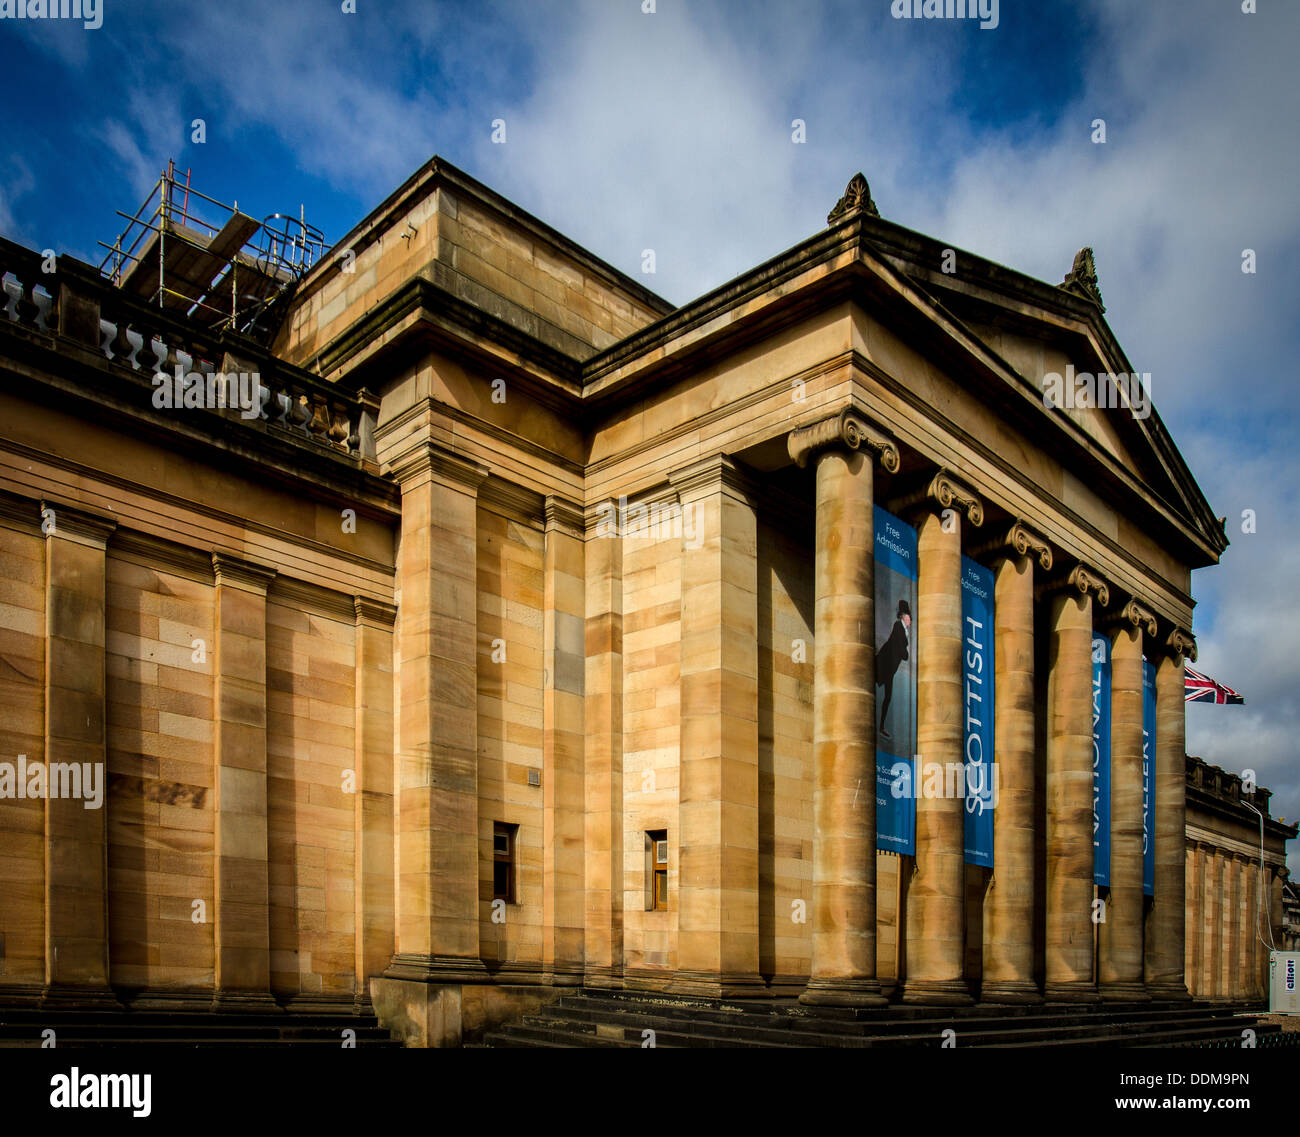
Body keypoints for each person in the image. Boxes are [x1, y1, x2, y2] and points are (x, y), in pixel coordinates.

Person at [876, 599, 911, 740]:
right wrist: (905, 652)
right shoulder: (898, 627)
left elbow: (904, 652)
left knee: (888, 696)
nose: (910, 621)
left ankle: (881, 726)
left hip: (889, 668)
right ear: (903, 616)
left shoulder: (903, 631)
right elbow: (904, 653)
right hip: (884, 663)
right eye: (908, 617)